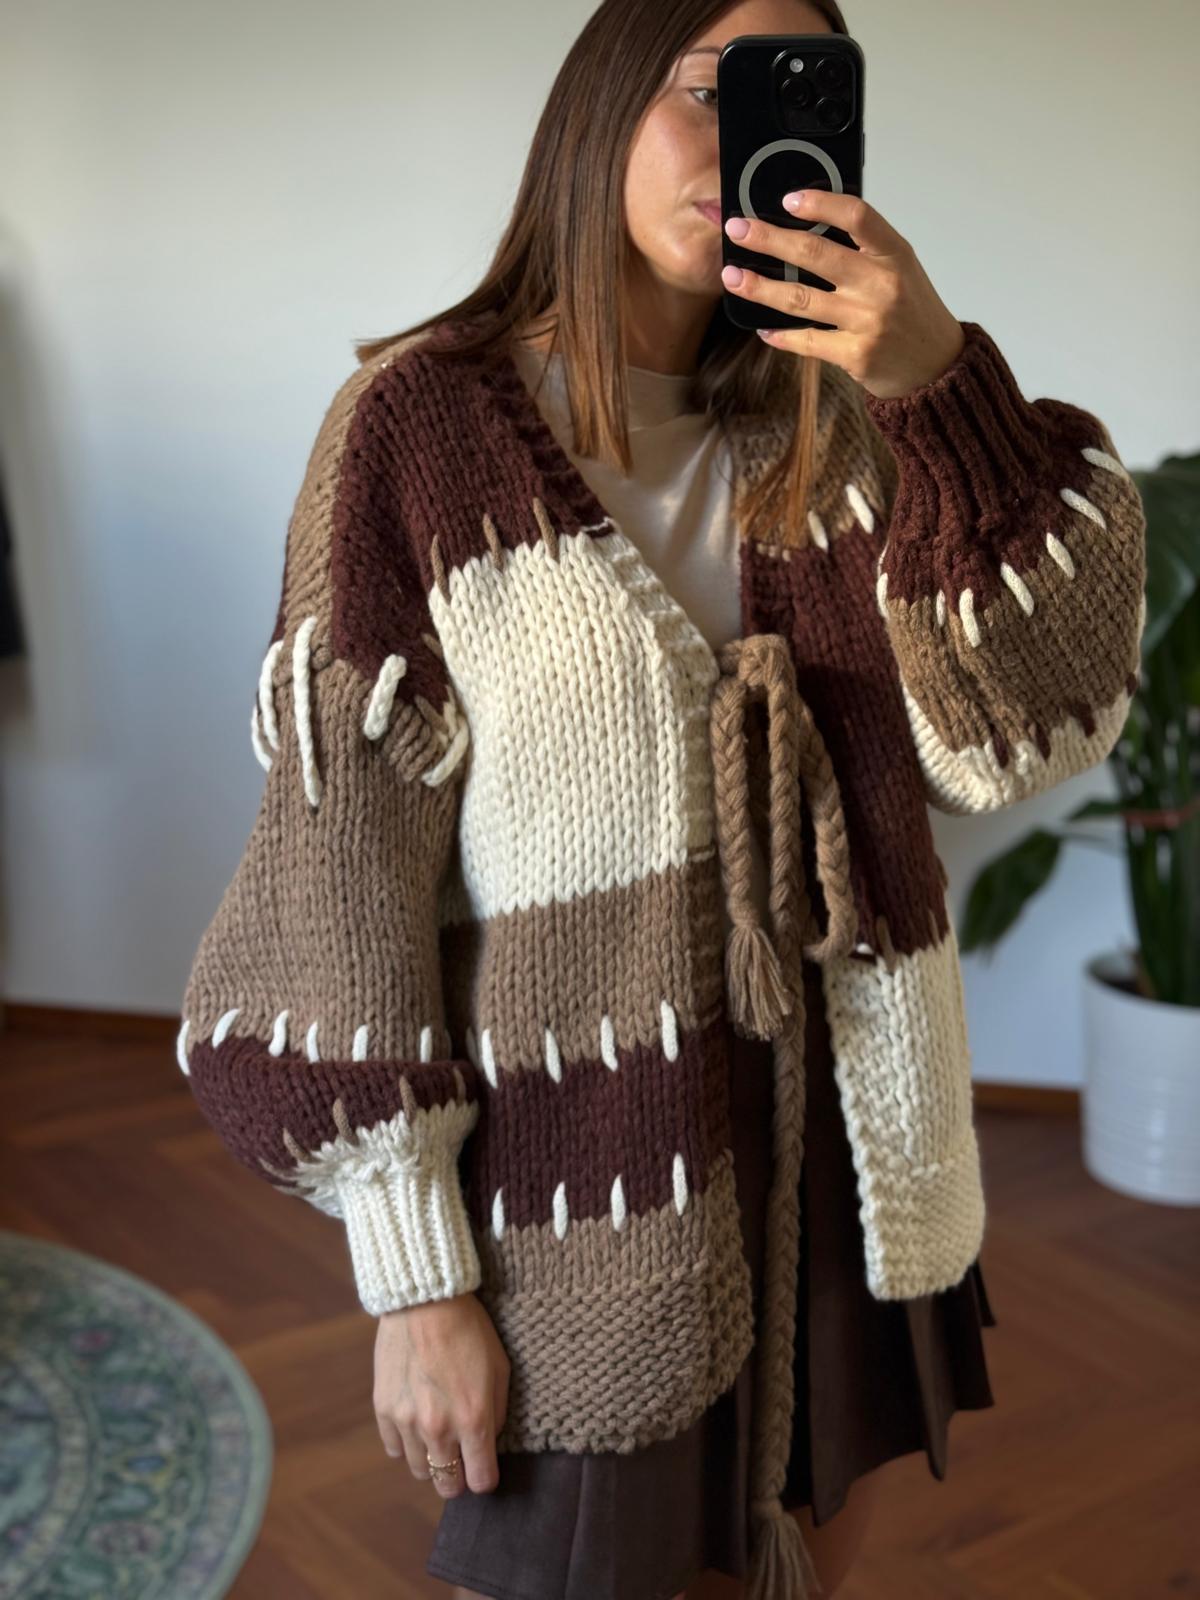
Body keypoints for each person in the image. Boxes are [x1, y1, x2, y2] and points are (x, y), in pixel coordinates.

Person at [176, 0, 1147, 1596]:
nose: (737, 134)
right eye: (707, 85)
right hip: (585, 1156)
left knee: (816, 1550)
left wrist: (940, 383)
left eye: (787, 93)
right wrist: (415, 1278)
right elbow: (337, 866)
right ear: (603, 102)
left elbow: (1027, 733)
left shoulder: (845, 418)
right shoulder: (417, 427)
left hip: (857, 1135)